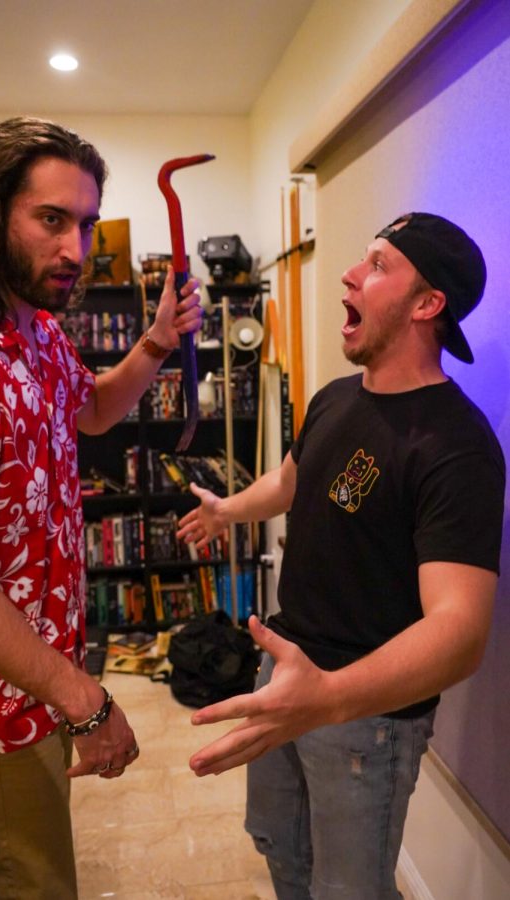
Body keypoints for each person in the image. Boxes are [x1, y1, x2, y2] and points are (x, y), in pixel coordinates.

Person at [0, 116, 201, 899]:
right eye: (50, 220)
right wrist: (83, 698)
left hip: (25, 671)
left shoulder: (33, 333)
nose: (75, 249)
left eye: (85, 223)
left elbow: (95, 411)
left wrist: (156, 341)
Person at [177, 212, 505, 900]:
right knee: (280, 851)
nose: (351, 275)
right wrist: (226, 510)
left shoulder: (456, 446)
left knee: (347, 890)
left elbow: (459, 633)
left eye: (379, 264)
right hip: (287, 670)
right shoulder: (335, 398)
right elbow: (290, 481)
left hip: (365, 720)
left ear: (426, 304)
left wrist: (326, 699)